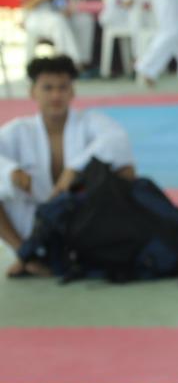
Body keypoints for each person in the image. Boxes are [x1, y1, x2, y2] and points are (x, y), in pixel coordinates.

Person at [0, 56, 135, 277]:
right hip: (32, 222)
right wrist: (10, 172)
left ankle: (86, 252)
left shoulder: (90, 122)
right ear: (32, 92)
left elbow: (117, 140)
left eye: (63, 88)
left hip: (82, 219)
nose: (56, 95)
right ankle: (26, 254)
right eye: (48, 88)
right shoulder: (18, 131)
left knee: (124, 170)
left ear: (72, 92)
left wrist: (75, 168)